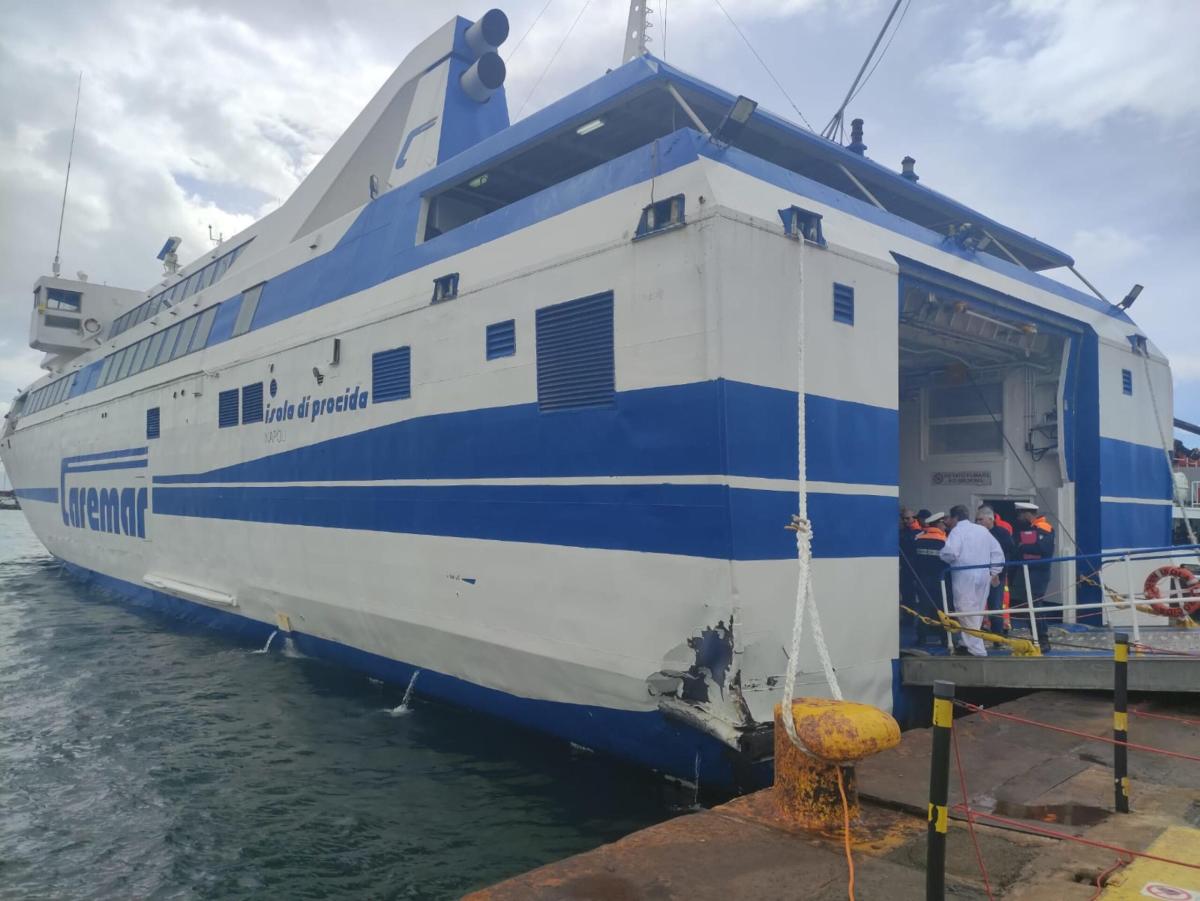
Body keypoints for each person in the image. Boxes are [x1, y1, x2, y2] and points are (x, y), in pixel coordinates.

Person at [940, 504, 1005, 657]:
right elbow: (998, 553)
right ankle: (965, 644)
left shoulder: (957, 531)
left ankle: (977, 650)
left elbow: (951, 553)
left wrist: (941, 555)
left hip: (964, 575)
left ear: (955, 518)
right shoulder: (982, 530)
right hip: (983, 575)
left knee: (965, 610)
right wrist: (993, 572)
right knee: (977, 611)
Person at [1013, 501, 1055, 652]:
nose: (1019, 518)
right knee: (1028, 606)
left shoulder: (1044, 528)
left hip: (1038, 573)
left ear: (1027, 514)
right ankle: (1036, 637)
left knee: (1035, 606)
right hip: (1029, 572)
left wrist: (1023, 546)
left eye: (1020, 515)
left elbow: (1043, 549)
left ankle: (1043, 640)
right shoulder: (1031, 529)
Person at [911, 512, 949, 647]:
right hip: (940, 581)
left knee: (923, 608)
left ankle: (921, 638)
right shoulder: (944, 541)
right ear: (939, 524)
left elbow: (914, 561)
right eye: (943, 523)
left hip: (922, 580)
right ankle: (945, 638)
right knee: (941, 609)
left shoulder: (918, 539)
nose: (945, 526)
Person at [977, 505, 1015, 636]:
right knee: (978, 605)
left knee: (995, 605)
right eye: (977, 520)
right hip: (980, 575)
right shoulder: (977, 534)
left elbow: (1009, 552)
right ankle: (978, 632)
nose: (978, 522)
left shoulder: (1002, 533)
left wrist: (999, 572)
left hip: (996, 576)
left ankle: (997, 635)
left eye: (981, 519)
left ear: (990, 519)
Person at [899, 507, 920, 609]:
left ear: (913, 518)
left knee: (915, 595)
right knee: (906, 593)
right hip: (905, 567)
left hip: (915, 567)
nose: (905, 521)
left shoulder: (918, 532)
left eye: (907, 518)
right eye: (903, 518)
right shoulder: (902, 532)